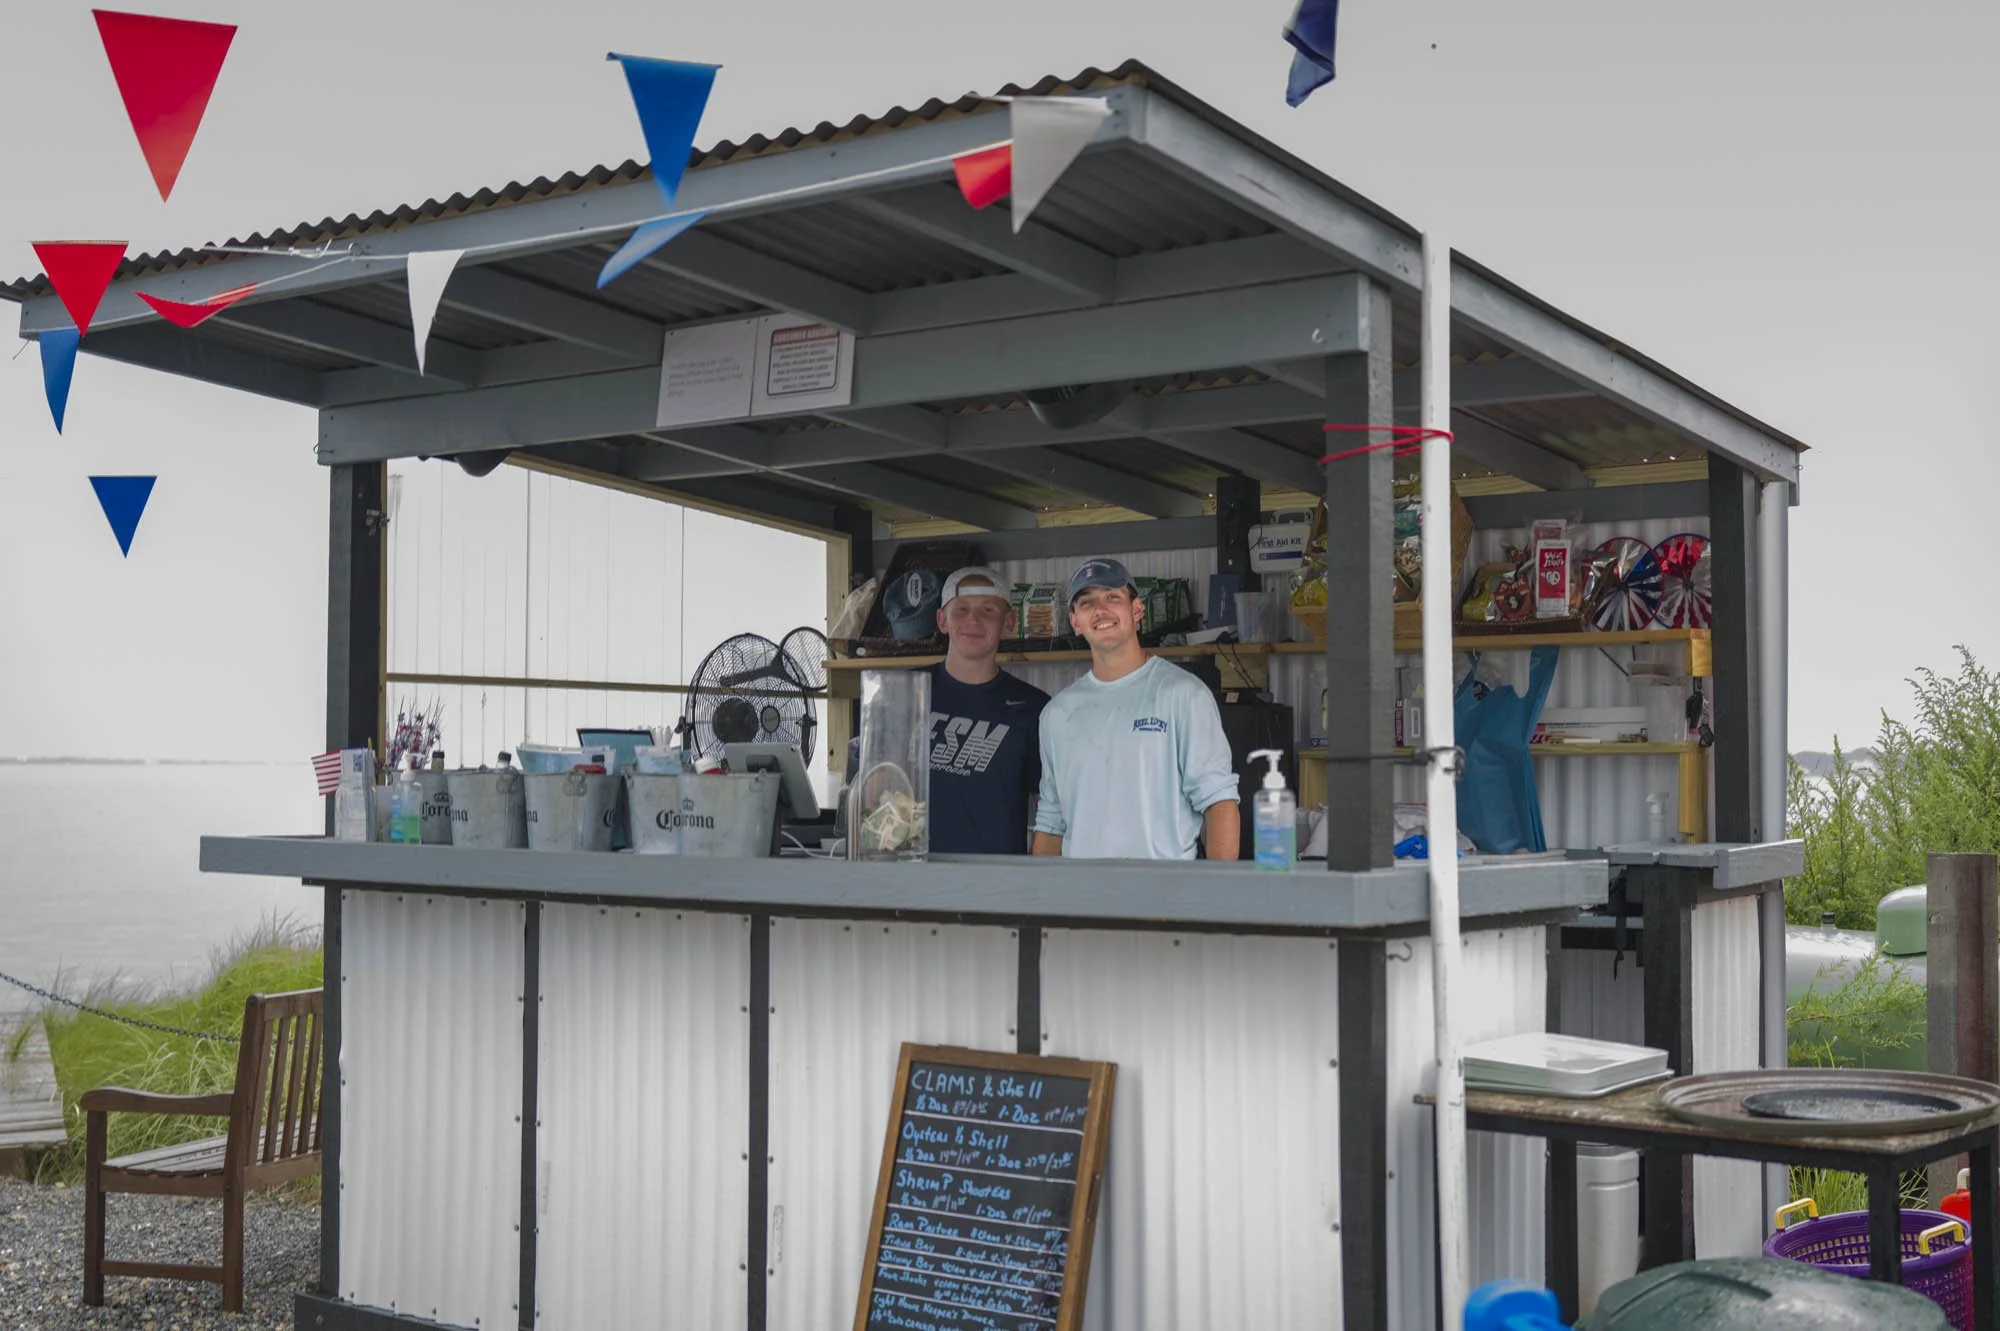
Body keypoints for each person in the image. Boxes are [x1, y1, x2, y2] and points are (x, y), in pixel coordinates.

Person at [1032, 558, 1241, 860]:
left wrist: (1217, 899)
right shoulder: (1057, 713)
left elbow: (1218, 803)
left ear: (1137, 610)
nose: (1100, 610)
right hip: (1080, 901)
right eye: (1087, 602)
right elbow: (1052, 820)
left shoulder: (1183, 694)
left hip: (1165, 900)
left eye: (1112, 597)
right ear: (1075, 622)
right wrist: (1041, 900)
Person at [921, 566, 1049, 854]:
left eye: (988, 610)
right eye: (961, 609)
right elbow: (874, 790)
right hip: (909, 878)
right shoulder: (905, 693)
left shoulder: (1035, 708)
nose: (973, 619)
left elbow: (1049, 813)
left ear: (1009, 622)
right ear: (942, 620)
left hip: (999, 886)